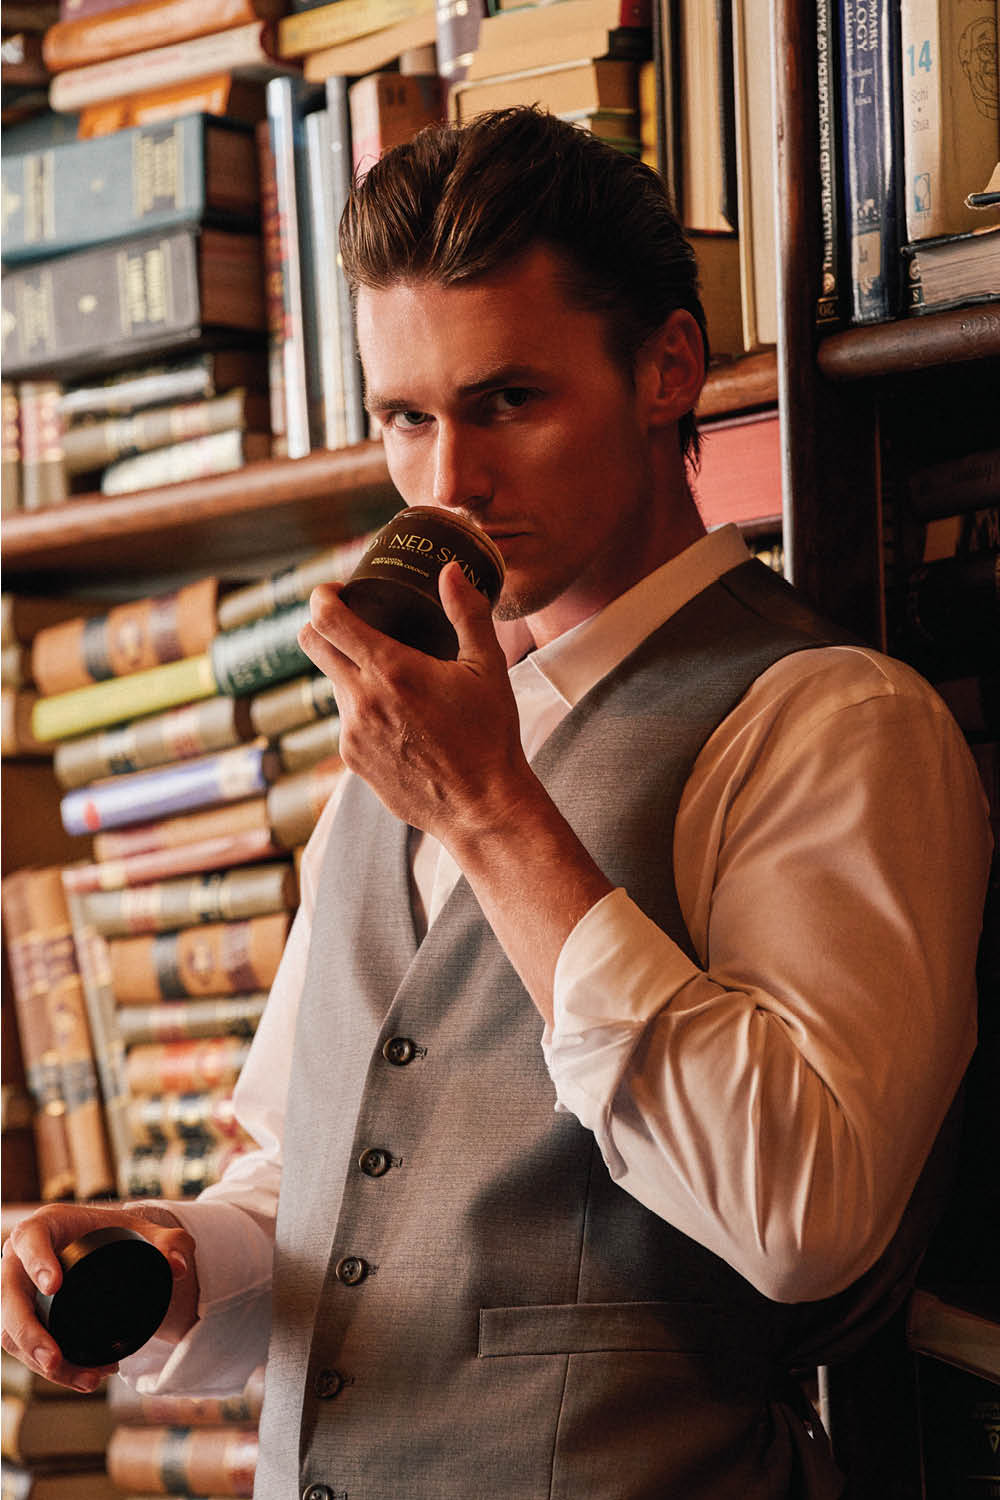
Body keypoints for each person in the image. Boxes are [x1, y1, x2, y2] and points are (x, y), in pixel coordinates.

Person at [1, 108, 992, 1499]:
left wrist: (490, 812)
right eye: (406, 419)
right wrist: (163, 1262)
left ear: (667, 369)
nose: (448, 482)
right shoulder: (410, 736)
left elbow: (806, 1218)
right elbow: (321, 1187)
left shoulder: (832, 718)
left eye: (508, 401)